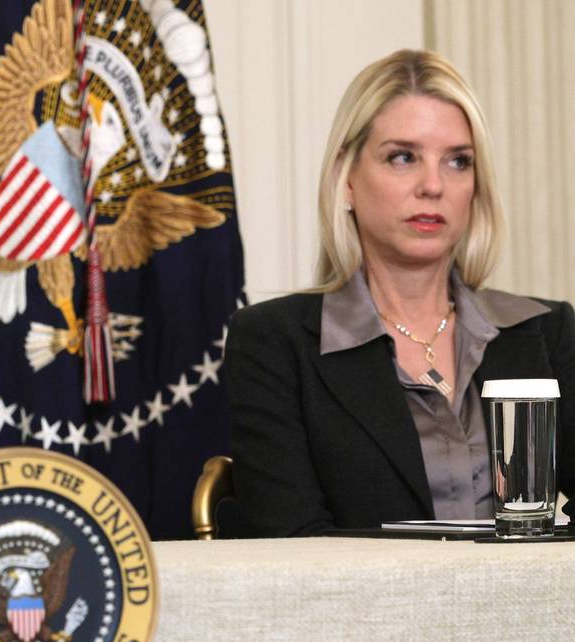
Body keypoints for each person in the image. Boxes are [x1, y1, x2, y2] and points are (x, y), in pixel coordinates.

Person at [224, 49, 575, 536]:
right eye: (403, 157)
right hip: (353, 613)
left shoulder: (545, 331)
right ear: (346, 179)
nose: (433, 185)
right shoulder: (272, 342)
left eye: (458, 161)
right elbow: (291, 550)